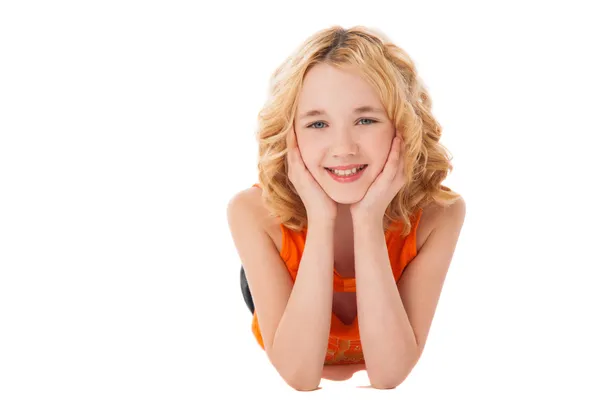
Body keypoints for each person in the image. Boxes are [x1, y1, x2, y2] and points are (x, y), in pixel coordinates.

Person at [227, 25, 466, 391]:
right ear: (290, 133)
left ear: (402, 126)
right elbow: (300, 378)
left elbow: (388, 376)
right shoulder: (251, 211)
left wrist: (368, 219)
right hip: (283, 292)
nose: (343, 147)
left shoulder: (440, 213)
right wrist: (321, 220)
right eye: (317, 123)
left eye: (365, 120)